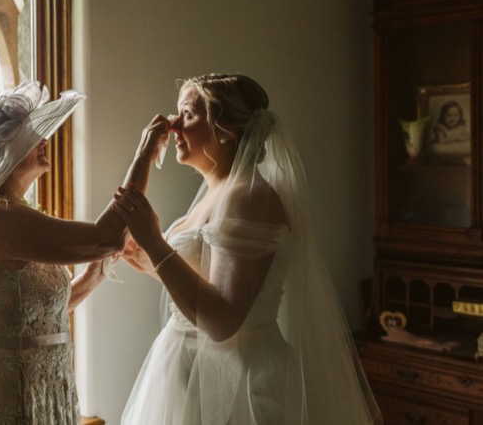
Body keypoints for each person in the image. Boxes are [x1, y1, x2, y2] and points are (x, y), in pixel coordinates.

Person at [113, 74, 381, 424]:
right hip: (186, 370)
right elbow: (203, 280)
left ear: (226, 130)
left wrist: (156, 244)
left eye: (188, 115)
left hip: (236, 384)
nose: (174, 125)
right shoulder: (217, 192)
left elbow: (224, 319)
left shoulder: (248, 197)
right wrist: (150, 259)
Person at [0, 81, 166, 424]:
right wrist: (144, 155)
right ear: (6, 154)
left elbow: (36, 317)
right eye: (32, 137)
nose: (44, 140)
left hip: (48, 386)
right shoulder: (0, 218)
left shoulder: (13, 214)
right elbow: (106, 236)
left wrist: (92, 277)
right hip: (11, 393)